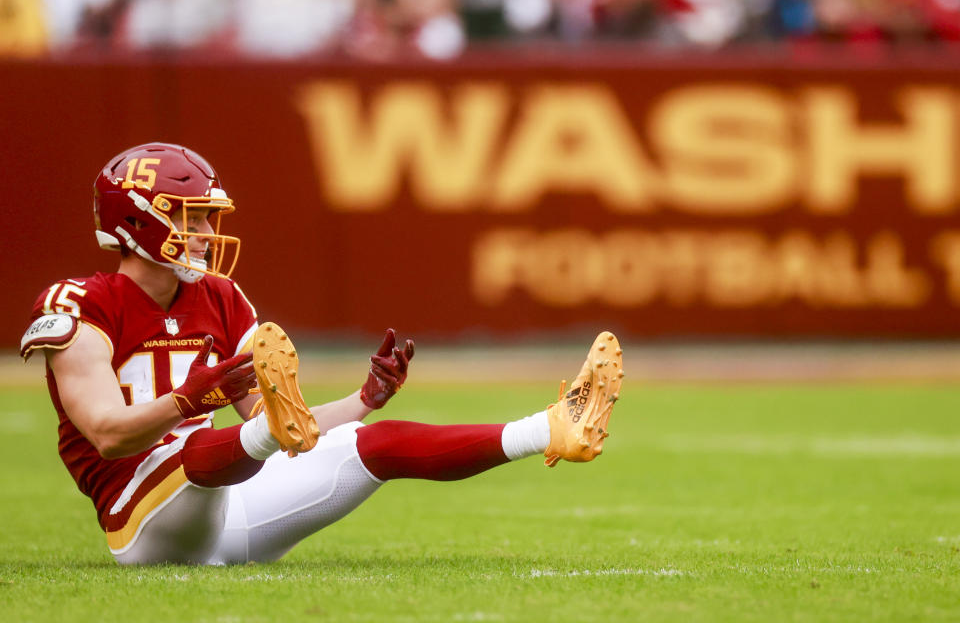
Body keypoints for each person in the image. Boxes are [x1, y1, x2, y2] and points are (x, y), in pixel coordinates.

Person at [20, 142, 623, 565]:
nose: (205, 233)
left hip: (228, 507)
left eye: (206, 218)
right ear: (137, 220)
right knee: (190, 447)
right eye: (191, 217)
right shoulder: (80, 303)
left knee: (372, 444)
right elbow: (106, 434)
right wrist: (197, 396)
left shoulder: (221, 298)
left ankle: (550, 429)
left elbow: (280, 424)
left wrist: (363, 401)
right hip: (142, 521)